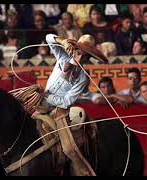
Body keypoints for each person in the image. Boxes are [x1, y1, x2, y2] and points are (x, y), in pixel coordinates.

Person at [33, 33, 108, 176]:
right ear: (73, 50)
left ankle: (83, 172)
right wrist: (63, 41)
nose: (80, 59)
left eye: (84, 57)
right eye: (79, 53)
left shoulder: (83, 78)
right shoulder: (62, 57)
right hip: (40, 104)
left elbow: (68, 101)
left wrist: (47, 96)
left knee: (69, 148)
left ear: (88, 59)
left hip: (59, 111)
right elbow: (48, 37)